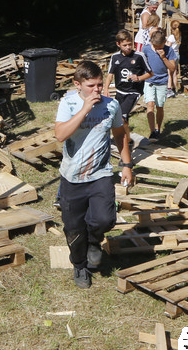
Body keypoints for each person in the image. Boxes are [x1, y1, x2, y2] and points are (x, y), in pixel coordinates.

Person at [55, 60, 134, 289]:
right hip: (72, 177)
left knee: (105, 219)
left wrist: (127, 165)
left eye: (100, 84)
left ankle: (93, 241)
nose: (97, 90)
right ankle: (80, 265)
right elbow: (60, 135)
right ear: (77, 84)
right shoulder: (68, 103)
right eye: (91, 86)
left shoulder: (111, 105)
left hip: (100, 173)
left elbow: (120, 134)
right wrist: (85, 109)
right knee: (73, 227)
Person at [106, 30, 150, 142]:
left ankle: (126, 141)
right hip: (120, 91)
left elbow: (150, 73)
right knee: (117, 117)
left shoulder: (139, 56)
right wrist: (105, 89)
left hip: (133, 92)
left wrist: (139, 78)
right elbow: (110, 75)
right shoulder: (115, 57)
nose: (128, 47)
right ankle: (125, 138)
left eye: (130, 44)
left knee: (122, 117)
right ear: (118, 44)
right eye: (125, 45)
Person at [144, 28, 178, 141]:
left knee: (159, 106)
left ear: (164, 42)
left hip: (162, 82)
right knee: (150, 104)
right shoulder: (146, 49)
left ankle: (158, 128)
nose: (157, 49)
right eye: (155, 46)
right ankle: (152, 131)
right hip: (149, 81)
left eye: (160, 46)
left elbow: (172, 68)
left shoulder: (169, 50)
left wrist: (163, 57)